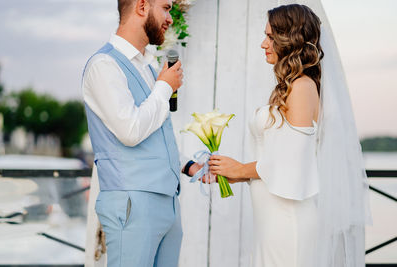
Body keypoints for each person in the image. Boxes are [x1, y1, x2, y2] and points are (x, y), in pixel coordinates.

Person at [208, 4, 370, 267]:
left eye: (270, 37)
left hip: (288, 220)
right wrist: (235, 175)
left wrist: (240, 170)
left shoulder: (303, 87)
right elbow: (273, 157)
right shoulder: (286, 88)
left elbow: (291, 163)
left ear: (290, 39)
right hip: (271, 218)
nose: (263, 44)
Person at [81, 0, 201, 266]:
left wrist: (188, 165)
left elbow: (155, 132)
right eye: (167, 8)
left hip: (167, 203)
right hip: (132, 205)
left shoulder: (147, 65)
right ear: (142, 6)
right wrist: (164, 87)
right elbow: (131, 130)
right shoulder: (104, 65)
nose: (170, 18)